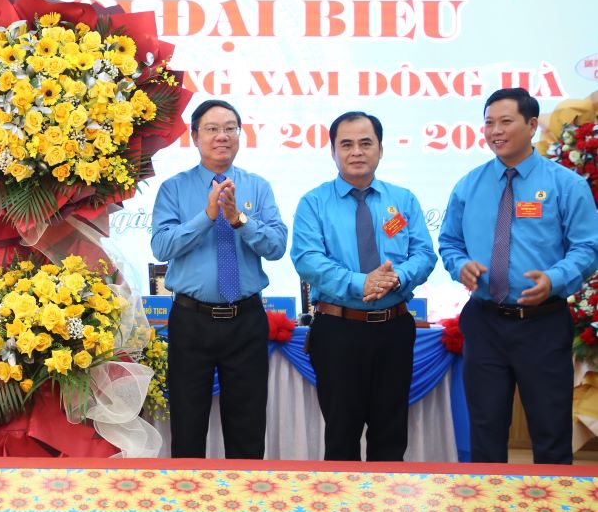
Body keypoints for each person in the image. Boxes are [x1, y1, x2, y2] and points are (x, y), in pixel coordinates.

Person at [439, 87, 598, 464]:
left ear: (530, 125)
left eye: (505, 121)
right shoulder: (469, 185)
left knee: (550, 431)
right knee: (486, 429)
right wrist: (460, 264)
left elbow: (587, 248)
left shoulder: (566, 185)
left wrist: (555, 279)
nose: (495, 130)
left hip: (542, 324)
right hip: (485, 322)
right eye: (489, 122)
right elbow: (449, 242)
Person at [291, 111, 436, 461]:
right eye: (347, 144)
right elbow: (308, 259)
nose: (357, 151)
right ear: (333, 152)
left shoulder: (402, 200)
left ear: (381, 149)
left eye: (365, 143)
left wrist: (396, 277)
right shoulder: (314, 203)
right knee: (341, 435)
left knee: (391, 434)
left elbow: (424, 254)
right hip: (338, 330)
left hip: (394, 329)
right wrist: (362, 283)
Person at [150, 99, 288, 458]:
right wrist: (208, 215)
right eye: (211, 129)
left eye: (230, 128)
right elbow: (162, 246)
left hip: (245, 321)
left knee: (247, 430)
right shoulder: (174, 189)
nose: (221, 136)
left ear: (240, 135)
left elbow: (275, 247)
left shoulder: (257, 188)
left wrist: (239, 219)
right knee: (188, 427)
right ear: (195, 137)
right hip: (191, 321)